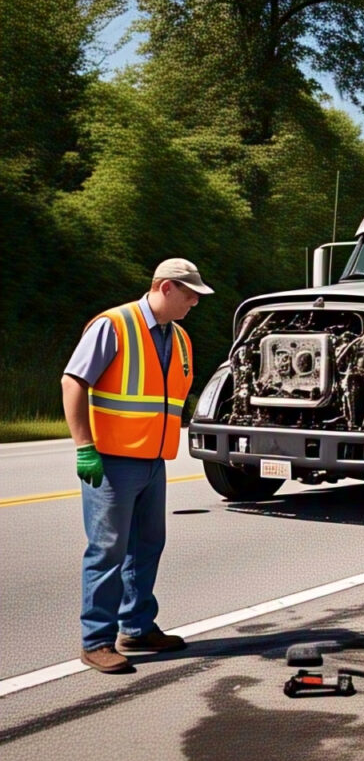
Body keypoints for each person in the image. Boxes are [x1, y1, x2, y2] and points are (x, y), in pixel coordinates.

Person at [62, 259, 214, 673]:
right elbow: (73, 381)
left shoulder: (178, 337)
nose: (195, 302)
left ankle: (137, 626)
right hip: (111, 461)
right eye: (190, 294)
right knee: (107, 549)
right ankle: (96, 641)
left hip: (152, 460)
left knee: (147, 546)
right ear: (165, 288)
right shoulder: (114, 325)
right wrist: (83, 447)